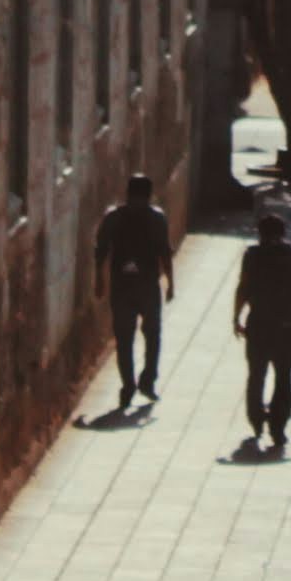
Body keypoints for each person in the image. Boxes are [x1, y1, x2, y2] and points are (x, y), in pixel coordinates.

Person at [232, 208, 291, 453]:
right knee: (283, 376)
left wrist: (236, 316)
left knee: (256, 375)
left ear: (260, 234)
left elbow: (243, 286)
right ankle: (278, 427)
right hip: (285, 325)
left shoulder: (252, 255)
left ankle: (257, 421)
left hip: (258, 323)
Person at [93, 173, 176, 410]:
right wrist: (170, 282)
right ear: (149, 195)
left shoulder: (114, 217)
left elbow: (100, 250)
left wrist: (99, 279)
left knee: (126, 338)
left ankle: (131, 383)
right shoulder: (156, 218)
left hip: (124, 286)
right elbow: (165, 252)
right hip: (146, 285)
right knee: (150, 335)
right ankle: (144, 381)